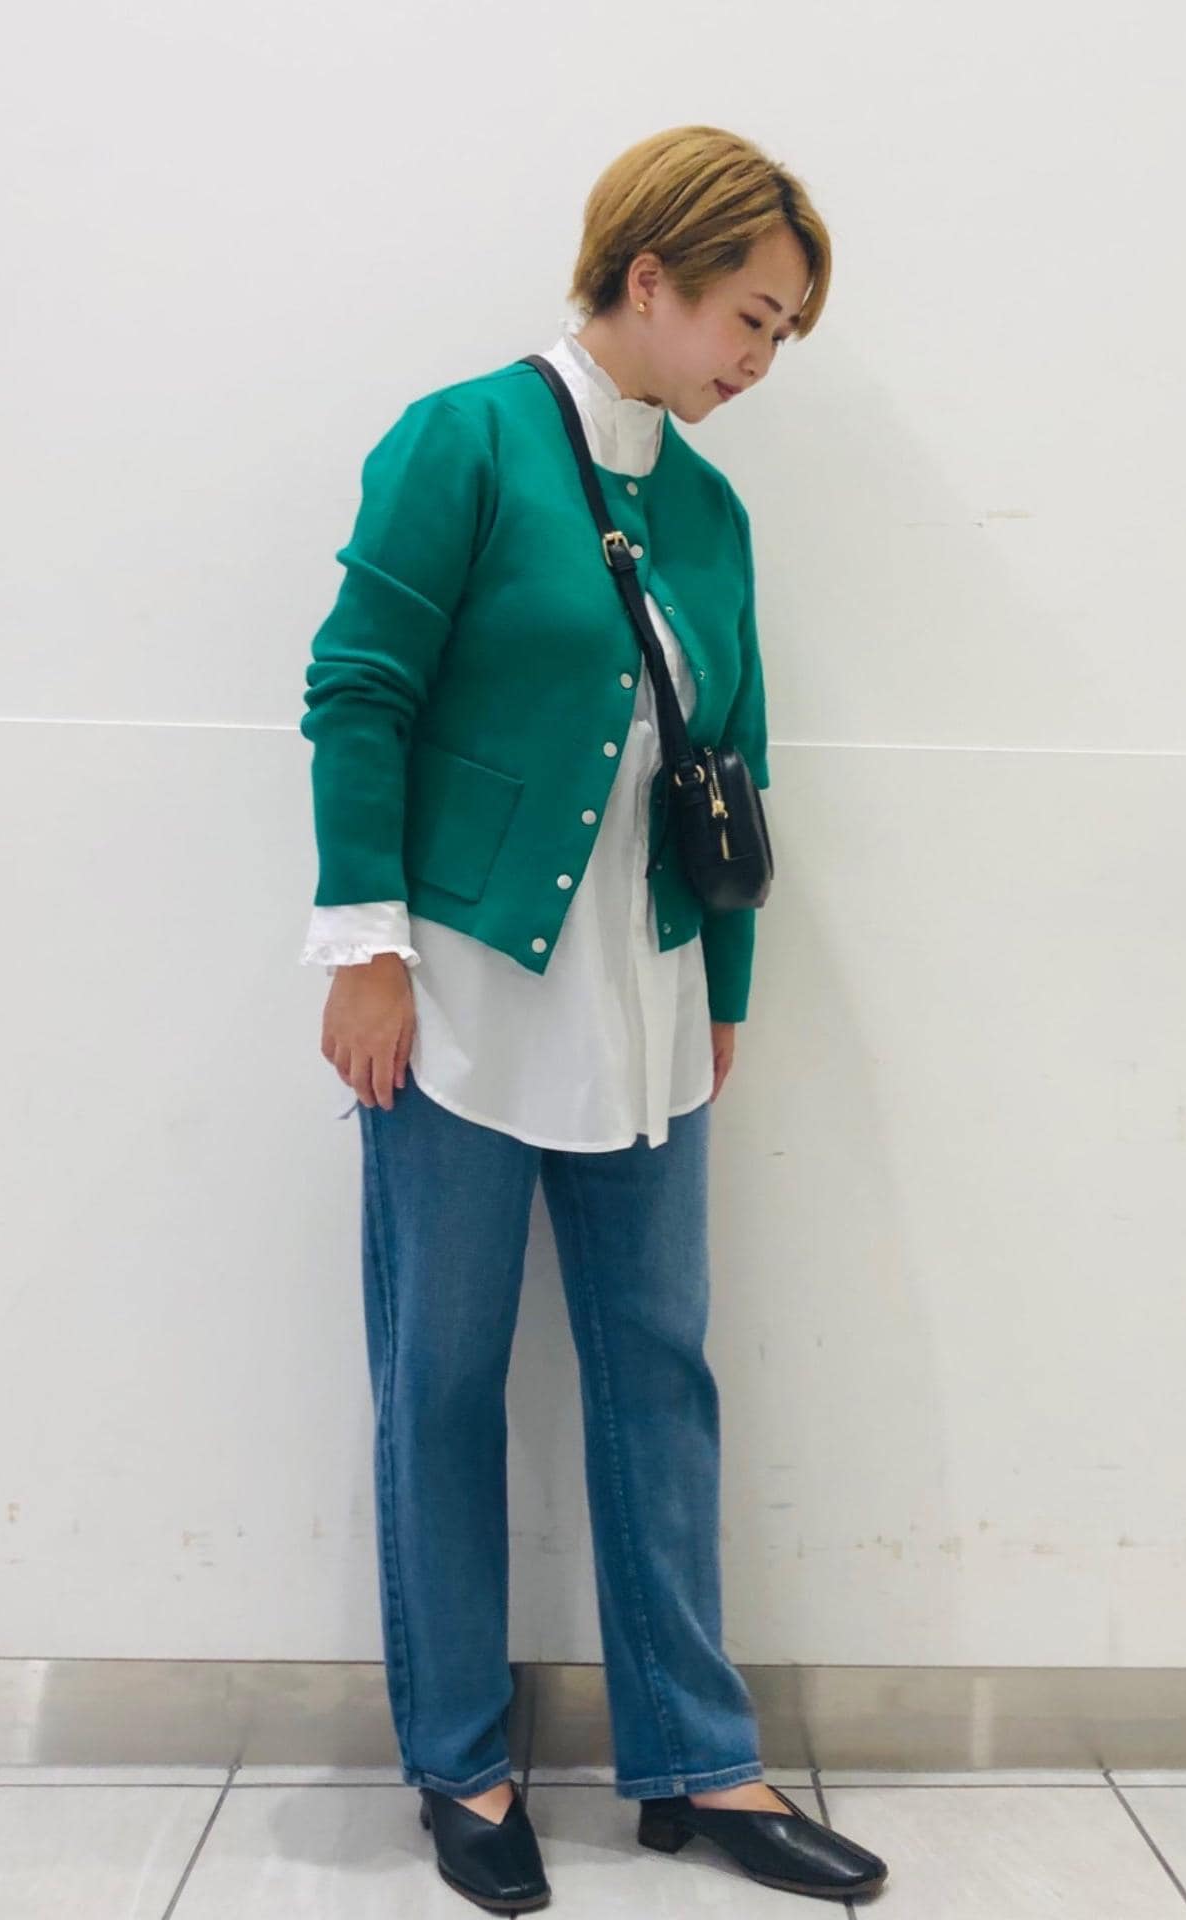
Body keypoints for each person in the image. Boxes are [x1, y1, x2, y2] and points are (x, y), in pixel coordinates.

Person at [298, 124, 888, 1910]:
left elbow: (739, 758)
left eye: (783, 333)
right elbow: (360, 690)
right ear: (651, 278)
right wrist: (365, 951)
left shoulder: (706, 508)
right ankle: (463, 1765)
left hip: (649, 1009)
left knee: (660, 1379)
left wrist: (724, 990)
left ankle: (699, 1760)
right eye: (751, 318)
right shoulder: (464, 439)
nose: (762, 360)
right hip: (462, 1006)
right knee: (443, 1378)